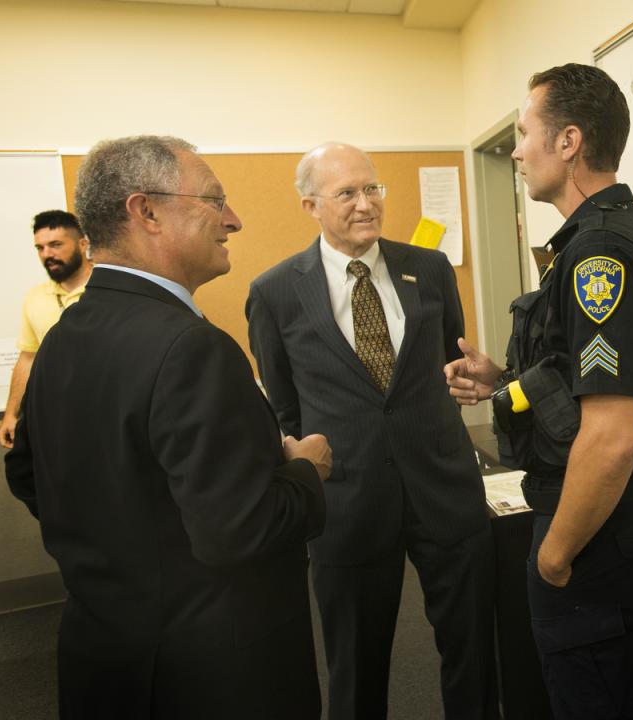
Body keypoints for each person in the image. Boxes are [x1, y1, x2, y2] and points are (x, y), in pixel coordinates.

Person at [4, 135, 332, 720]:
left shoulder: (60, 340)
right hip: (209, 673)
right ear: (147, 212)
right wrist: (307, 470)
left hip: (105, 656)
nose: (233, 220)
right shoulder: (191, 348)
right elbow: (238, 530)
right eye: (214, 201)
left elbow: (28, 474)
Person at [444, 63, 633, 719]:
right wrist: (504, 380)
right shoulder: (602, 236)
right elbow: (580, 381)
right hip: (616, 525)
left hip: (595, 536)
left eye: (525, 134)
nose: (516, 151)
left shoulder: (600, 253)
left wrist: (553, 555)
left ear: (569, 141)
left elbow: (612, 437)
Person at [246, 142, 497, 720]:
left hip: (444, 489)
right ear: (311, 205)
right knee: (355, 672)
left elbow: (449, 363)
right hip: (348, 503)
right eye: (347, 193)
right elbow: (284, 405)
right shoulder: (276, 291)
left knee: (474, 657)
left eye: (372, 188)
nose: (366, 204)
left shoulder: (429, 269)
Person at [0, 210, 92, 448]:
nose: (47, 254)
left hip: (108, 412)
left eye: (56, 245)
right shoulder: (35, 297)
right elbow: (28, 358)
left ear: (83, 244)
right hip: (57, 421)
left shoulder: (111, 290)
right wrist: (10, 414)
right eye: (40, 248)